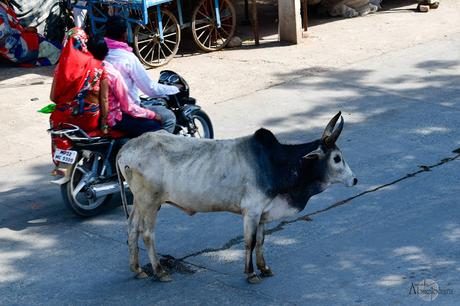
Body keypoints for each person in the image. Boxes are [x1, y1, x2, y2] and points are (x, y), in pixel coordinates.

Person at [103, 15, 180, 134]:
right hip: (123, 112)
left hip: (108, 110)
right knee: (169, 118)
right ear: (124, 34)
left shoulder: (100, 53)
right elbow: (149, 89)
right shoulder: (127, 58)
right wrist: (174, 89)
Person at [87, 36, 163, 137]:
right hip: (111, 119)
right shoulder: (111, 73)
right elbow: (127, 107)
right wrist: (152, 115)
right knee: (155, 126)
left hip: (90, 116)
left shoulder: (84, 70)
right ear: (106, 52)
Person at [49, 28, 108, 133]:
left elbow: (53, 97)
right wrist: (104, 123)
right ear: (85, 43)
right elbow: (104, 99)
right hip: (89, 120)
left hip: (63, 120)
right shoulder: (98, 65)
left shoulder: (60, 67)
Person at [0, 0, 60, 66]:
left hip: (19, 38)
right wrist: (25, 32)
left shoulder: (6, 5)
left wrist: (25, 30)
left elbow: (13, 26)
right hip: (13, 46)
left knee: (54, 45)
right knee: (56, 50)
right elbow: (4, 35)